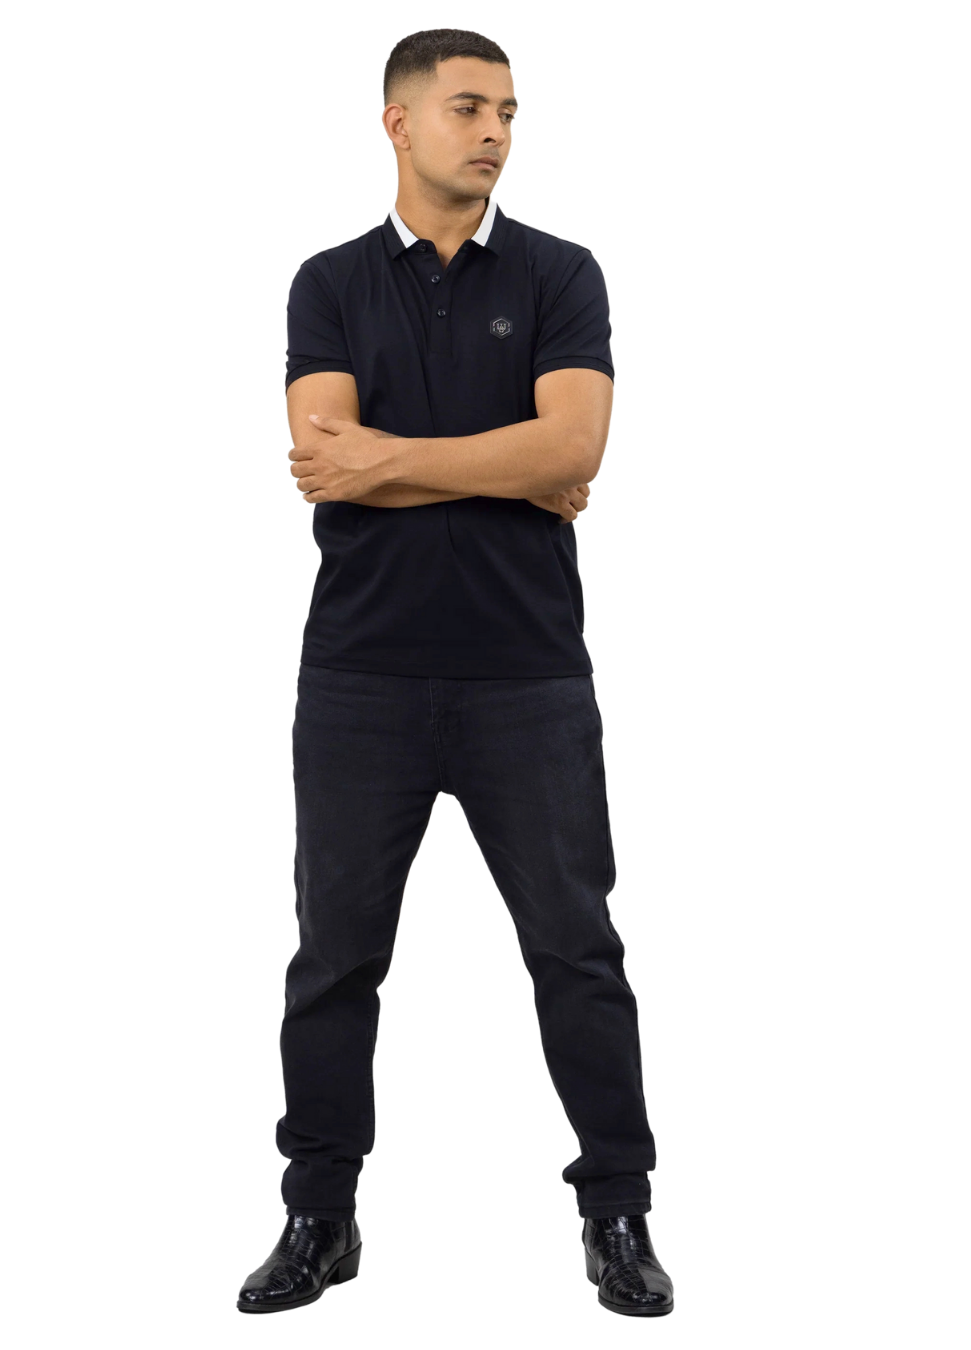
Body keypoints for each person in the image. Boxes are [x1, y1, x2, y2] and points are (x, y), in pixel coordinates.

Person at [236, 28, 674, 1317]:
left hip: (527, 677)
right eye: (470, 107)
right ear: (399, 122)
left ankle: (618, 1213)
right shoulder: (328, 283)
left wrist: (394, 460)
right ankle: (320, 1216)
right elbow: (323, 457)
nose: (495, 131)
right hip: (359, 678)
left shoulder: (559, 272)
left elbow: (574, 447)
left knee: (578, 953)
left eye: (510, 112)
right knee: (333, 962)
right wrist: (511, 464)